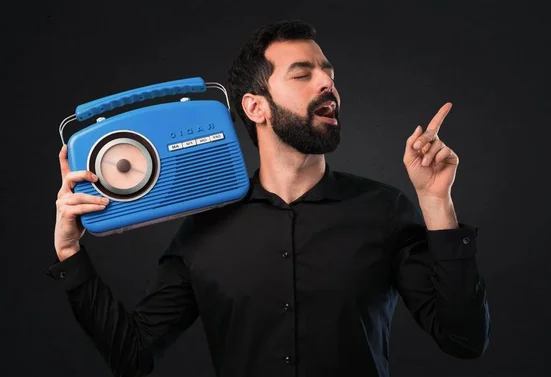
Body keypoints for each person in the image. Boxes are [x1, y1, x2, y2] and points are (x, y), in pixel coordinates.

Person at [48, 19, 490, 377]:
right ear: (255, 107)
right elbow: (133, 357)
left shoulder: (384, 210)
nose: (327, 84)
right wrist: (70, 254)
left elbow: (463, 340)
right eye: (304, 74)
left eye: (329, 74)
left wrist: (436, 203)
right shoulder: (203, 230)